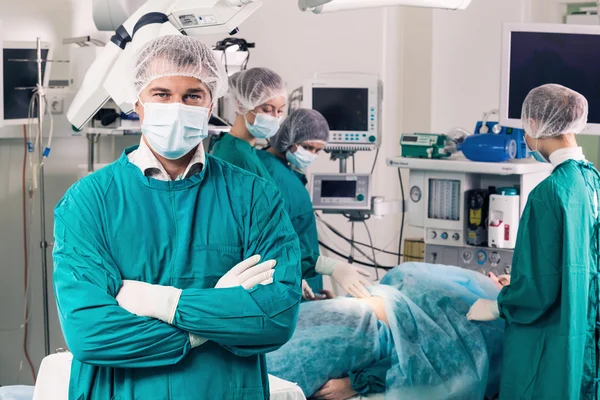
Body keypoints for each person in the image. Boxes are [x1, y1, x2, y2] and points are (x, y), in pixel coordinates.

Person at [52, 35, 302, 400]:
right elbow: (89, 333)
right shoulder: (88, 202)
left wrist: (161, 303)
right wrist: (211, 322)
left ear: (210, 104)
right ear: (138, 104)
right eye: (162, 94)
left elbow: (275, 319)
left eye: (192, 96)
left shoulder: (253, 197)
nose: (177, 106)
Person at [467, 83, 600, 399]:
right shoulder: (591, 179)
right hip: (583, 330)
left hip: (551, 342)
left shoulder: (549, 193)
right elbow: (579, 264)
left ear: (538, 125)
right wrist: (518, 280)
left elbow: (538, 289)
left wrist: (499, 303)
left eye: (525, 126)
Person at [257, 109, 372, 299]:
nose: (312, 154)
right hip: (287, 280)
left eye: (318, 150)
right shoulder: (269, 172)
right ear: (288, 138)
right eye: (308, 147)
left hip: (304, 280)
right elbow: (273, 238)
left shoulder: (289, 172)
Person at [211, 67, 287, 180]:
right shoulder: (240, 158)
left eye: (280, 111)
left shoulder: (237, 146)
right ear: (241, 105)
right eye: (267, 110)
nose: (275, 117)